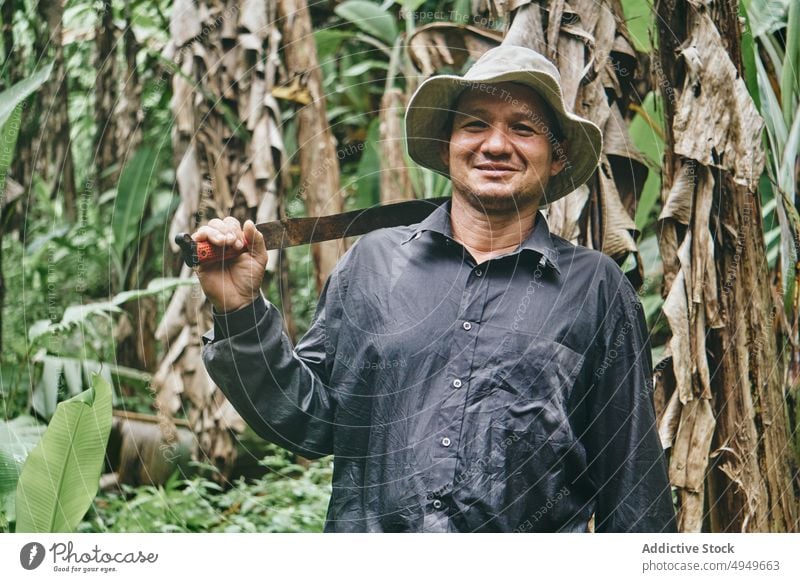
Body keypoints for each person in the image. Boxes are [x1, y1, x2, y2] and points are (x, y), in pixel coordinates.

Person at [195, 45, 677, 532]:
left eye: (523, 128)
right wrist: (240, 311)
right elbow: (310, 421)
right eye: (474, 125)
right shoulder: (374, 263)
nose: (494, 145)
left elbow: (631, 479)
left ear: (556, 157)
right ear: (448, 147)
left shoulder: (595, 288)